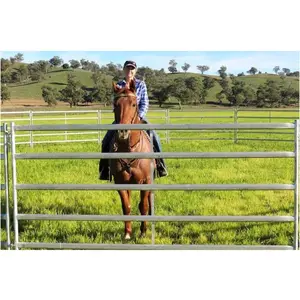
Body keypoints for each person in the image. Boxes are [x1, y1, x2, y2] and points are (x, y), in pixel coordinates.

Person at [99, 60, 168, 180]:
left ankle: (161, 165)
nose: (130, 71)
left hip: (138, 117)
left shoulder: (141, 84)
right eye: (127, 68)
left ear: (135, 71)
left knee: (154, 136)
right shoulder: (119, 85)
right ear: (124, 70)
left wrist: (139, 116)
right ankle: (104, 169)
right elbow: (115, 104)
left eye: (132, 69)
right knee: (106, 140)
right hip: (121, 119)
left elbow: (145, 103)